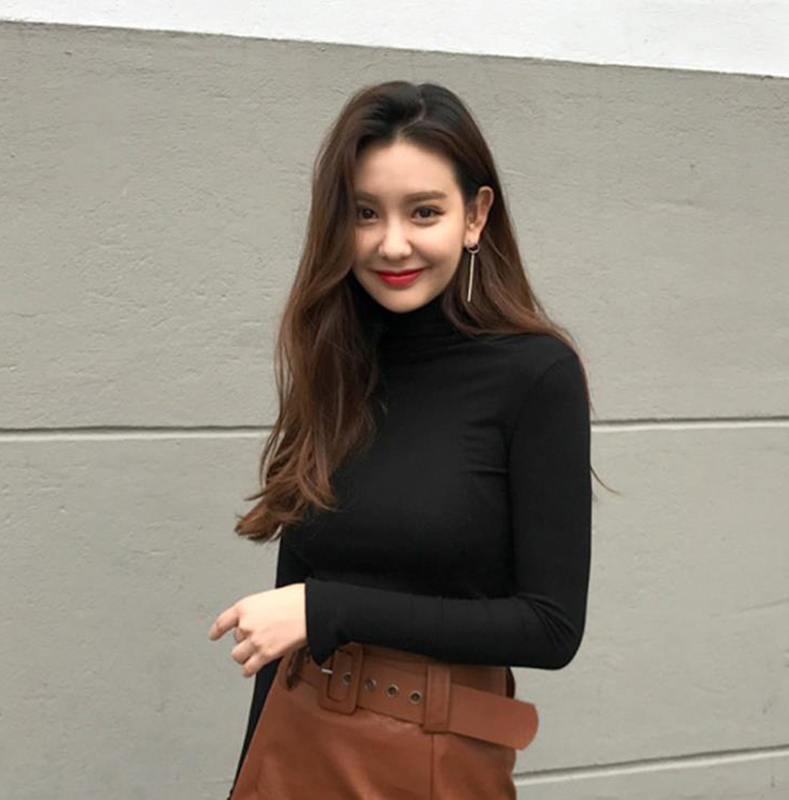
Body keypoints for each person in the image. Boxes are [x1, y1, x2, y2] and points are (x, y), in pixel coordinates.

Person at [209, 80, 603, 799]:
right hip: (296, 741)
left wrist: (328, 609)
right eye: (365, 213)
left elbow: (550, 627)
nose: (392, 243)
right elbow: (288, 613)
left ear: (475, 215)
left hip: (432, 762)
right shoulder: (336, 363)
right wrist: (248, 779)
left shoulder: (534, 374)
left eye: (424, 211)